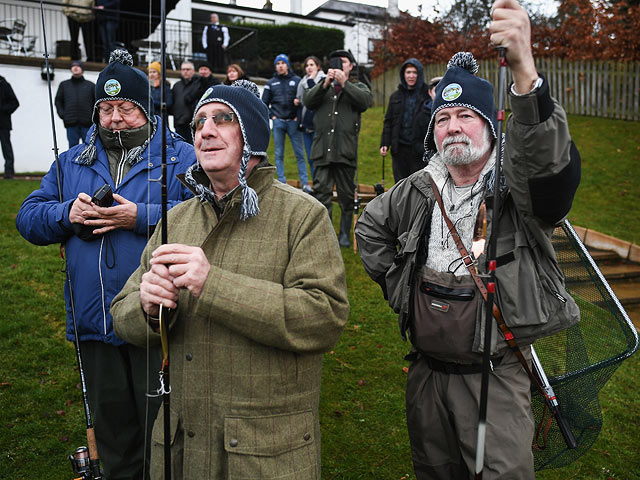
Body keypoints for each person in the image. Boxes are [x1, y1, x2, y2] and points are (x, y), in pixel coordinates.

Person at [355, 1, 582, 478]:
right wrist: (403, 285)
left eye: (465, 116)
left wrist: (524, 73)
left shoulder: (514, 189)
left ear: (490, 126)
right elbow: (369, 228)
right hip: (425, 377)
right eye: (442, 118)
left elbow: (549, 170)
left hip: (495, 379)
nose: (452, 126)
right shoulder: (417, 188)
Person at [111, 80, 349, 479]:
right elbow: (123, 314)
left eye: (222, 119)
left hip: (263, 456)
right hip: (181, 451)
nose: (205, 130)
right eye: (199, 122)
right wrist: (147, 307)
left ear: (252, 135)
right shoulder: (177, 220)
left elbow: (323, 318)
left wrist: (213, 285)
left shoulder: (302, 216)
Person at [16, 50, 196, 480]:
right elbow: (28, 217)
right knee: (115, 442)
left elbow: (203, 215)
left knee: (164, 436)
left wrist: (137, 216)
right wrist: (66, 215)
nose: (115, 119)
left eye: (126, 108)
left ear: (145, 109)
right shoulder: (70, 162)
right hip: (94, 325)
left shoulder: (180, 157)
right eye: (107, 109)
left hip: (158, 323)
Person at [303, 49, 372, 248]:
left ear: (350, 66)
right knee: (322, 195)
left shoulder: (357, 87)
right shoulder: (322, 87)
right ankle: (326, 233)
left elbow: (365, 101)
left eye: (343, 62)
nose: (340, 65)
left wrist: (344, 83)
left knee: (346, 197)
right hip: (322, 151)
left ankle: (344, 234)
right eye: (336, 62)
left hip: (345, 151)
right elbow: (308, 101)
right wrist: (325, 84)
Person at [262, 53, 311, 193]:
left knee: (300, 153)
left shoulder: (297, 80)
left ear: (287, 65)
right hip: (278, 123)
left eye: (283, 63)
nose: (280, 66)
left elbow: (303, 100)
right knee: (278, 154)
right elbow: (264, 103)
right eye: (278, 64)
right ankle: (282, 183)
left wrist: (297, 116)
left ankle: (305, 183)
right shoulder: (271, 83)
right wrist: (272, 116)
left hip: (293, 122)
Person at [380, 58, 431, 183]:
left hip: (419, 150)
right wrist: (385, 143)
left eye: (414, 72)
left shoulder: (428, 94)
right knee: (400, 185)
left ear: (419, 74)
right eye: (408, 72)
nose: (411, 76)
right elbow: (389, 121)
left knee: (420, 185)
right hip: (399, 149)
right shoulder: (395, 96)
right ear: (403, 74)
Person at [295, 55, 326, 180]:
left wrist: (311, 80)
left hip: (319, 125)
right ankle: (315, 183)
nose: (309, 68)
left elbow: (315, 96)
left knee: (319, 158)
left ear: (318, 66)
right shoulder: (302, 82)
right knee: (310, 158)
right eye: (307, 65)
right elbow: (301, 99)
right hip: (306, 124)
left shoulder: (324, 80)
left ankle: (321, 184)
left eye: (312, 65)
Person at [55, 60, 96, 148]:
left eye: (78, 66)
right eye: (73, 66)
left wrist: (93, 118)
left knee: (88, 148)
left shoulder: (91, 86)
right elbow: (58, 101)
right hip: (71, 123)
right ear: (71, 69)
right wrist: (63, 115)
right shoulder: (64, 85)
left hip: (87, 123)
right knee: (73, 149)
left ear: (82, 69)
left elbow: (97, 103)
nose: (76, 67)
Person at [171, 61, 201, 144]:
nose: (185, 71)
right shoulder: (176, 85)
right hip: (179, 123)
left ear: (193, 71)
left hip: (192, 123)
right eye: (183, 69)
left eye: (188, 69)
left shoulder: (198, 84)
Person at [0, 75, 19, 179]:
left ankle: (9, 171)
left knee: (6, 148)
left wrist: (2, 110)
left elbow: (14, 103)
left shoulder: (4, 85)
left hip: (3, 123)